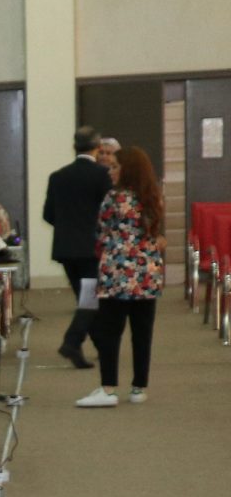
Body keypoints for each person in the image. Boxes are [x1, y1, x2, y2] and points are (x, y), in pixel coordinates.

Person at [79, 145, 165, 408]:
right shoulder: (152, 197)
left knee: (110, 332)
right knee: (142, 333)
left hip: (117, 273)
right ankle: (139, 388)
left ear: (127, 170)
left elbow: (101, 231)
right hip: (147, 273)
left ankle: (108, 388)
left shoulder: (114, 198)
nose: (110, 171)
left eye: (115, 167)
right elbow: (156, 233)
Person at [42, 126, 112, 370]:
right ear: (98, 148)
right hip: (91, 249)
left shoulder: (57, 177)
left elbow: (48, 215)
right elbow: (109, 212)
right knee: (90, 300)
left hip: (65, 249)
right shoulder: (102, 175)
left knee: (85, 301)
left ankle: (99, 347)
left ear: (74, 147)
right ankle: (72, 342)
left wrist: (67, 228)